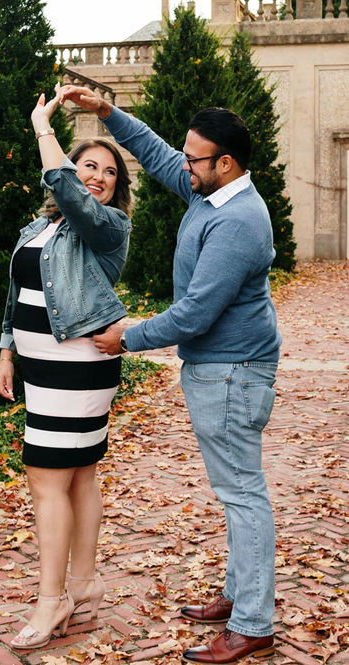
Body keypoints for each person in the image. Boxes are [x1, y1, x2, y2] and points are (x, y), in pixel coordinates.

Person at [57, 84, 281, 664]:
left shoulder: (238, 221)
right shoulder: (215, 191)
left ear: (224, 163)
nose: (184, 164)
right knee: (236, 491)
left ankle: (254, 624)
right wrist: (107, 112)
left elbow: (196, 313)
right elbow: (157, 155)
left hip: (232, 373)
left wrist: (127, 337)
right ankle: (239, 596)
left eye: (194, 158)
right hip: (223, 368)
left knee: (243, 496)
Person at [0, 86, 131, 650]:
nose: (98, 177)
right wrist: (7, 350)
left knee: (46, 478)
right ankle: (83, 584)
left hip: (78, 367)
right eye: (89, 165)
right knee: (77, 476)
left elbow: (68, 191)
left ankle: (51, 601)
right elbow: (16, 293)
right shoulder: (37, 228)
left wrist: (43, 126)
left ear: (117, 189)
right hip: (40, 368)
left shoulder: (108, 227)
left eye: (109, 172)